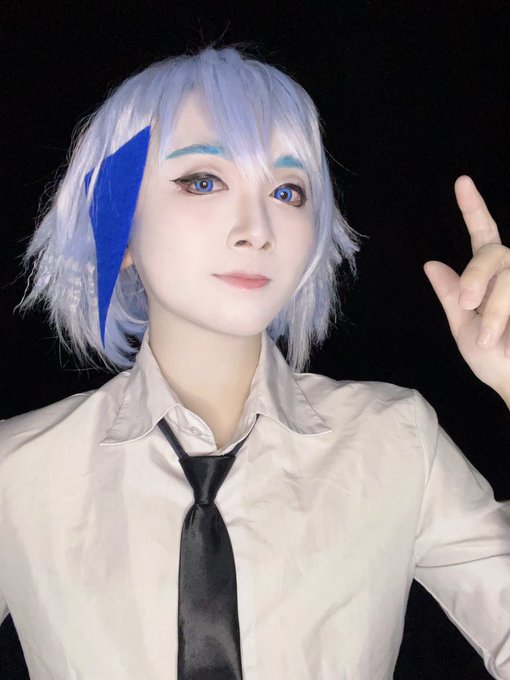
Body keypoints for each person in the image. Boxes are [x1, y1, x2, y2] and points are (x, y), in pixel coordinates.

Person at [0, 44, 509, 680]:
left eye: (288, 191)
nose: (258, 228)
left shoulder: (397, 440)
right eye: (203, 181)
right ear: (118, 222)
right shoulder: (18, 472)